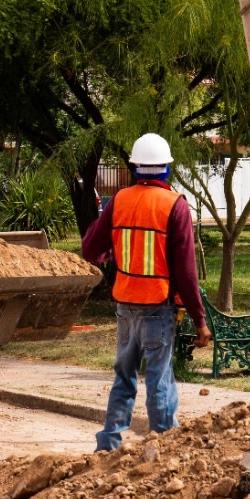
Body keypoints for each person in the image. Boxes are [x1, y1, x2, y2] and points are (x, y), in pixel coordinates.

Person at [80, 133, 211, 451]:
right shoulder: (174, 205)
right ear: (166, 169)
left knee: (124, 374)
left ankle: (109, 441)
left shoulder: (119, 200)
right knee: (158, 375)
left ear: (135, 168)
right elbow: (186, 271)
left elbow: (89, 248)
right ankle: (165, 441)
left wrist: (110, 255)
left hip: (125, 304)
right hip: (157, 305)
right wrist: (199, 320)